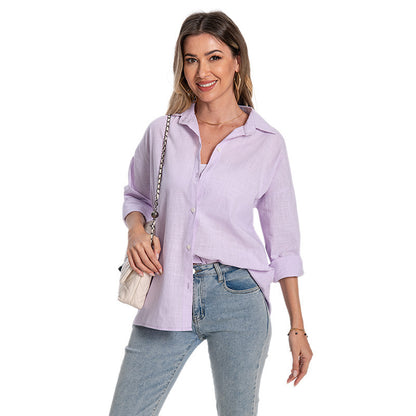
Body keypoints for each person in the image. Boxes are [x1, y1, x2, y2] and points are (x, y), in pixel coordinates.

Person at [109, 10, 313, 416]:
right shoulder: (163, 132)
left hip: (238, 296)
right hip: (167, 289)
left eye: (214, 57)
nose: (202, 71)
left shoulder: (267, 142)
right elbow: (136, 196)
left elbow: (283, 245)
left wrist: (297, 327)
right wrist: (135, 232)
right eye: (191, 59)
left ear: (237, 61)